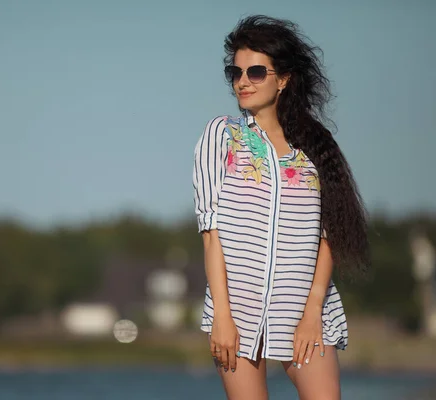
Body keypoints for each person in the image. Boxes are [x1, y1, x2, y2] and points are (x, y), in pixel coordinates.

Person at [192, 15, 370, 400]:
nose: (242, 81)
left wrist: (312, 312)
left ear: (284, 78)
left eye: (256, 71)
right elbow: (212, 237)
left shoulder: (315, 147)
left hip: (305, 309)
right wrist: (222, 316)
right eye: (235, 71)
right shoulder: (221, 136)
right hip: (236, 309)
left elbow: (328, 237)